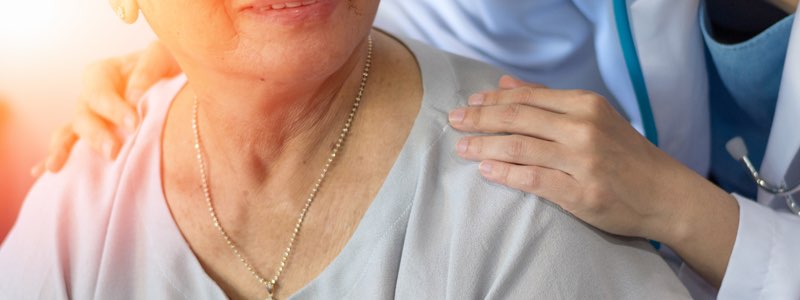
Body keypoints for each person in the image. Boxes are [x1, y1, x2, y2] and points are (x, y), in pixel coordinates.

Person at [33, 0, 800, 298]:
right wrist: (212, 52)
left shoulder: (537, 242)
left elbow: (659, 142)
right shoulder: (80, 202)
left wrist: (681, 208)